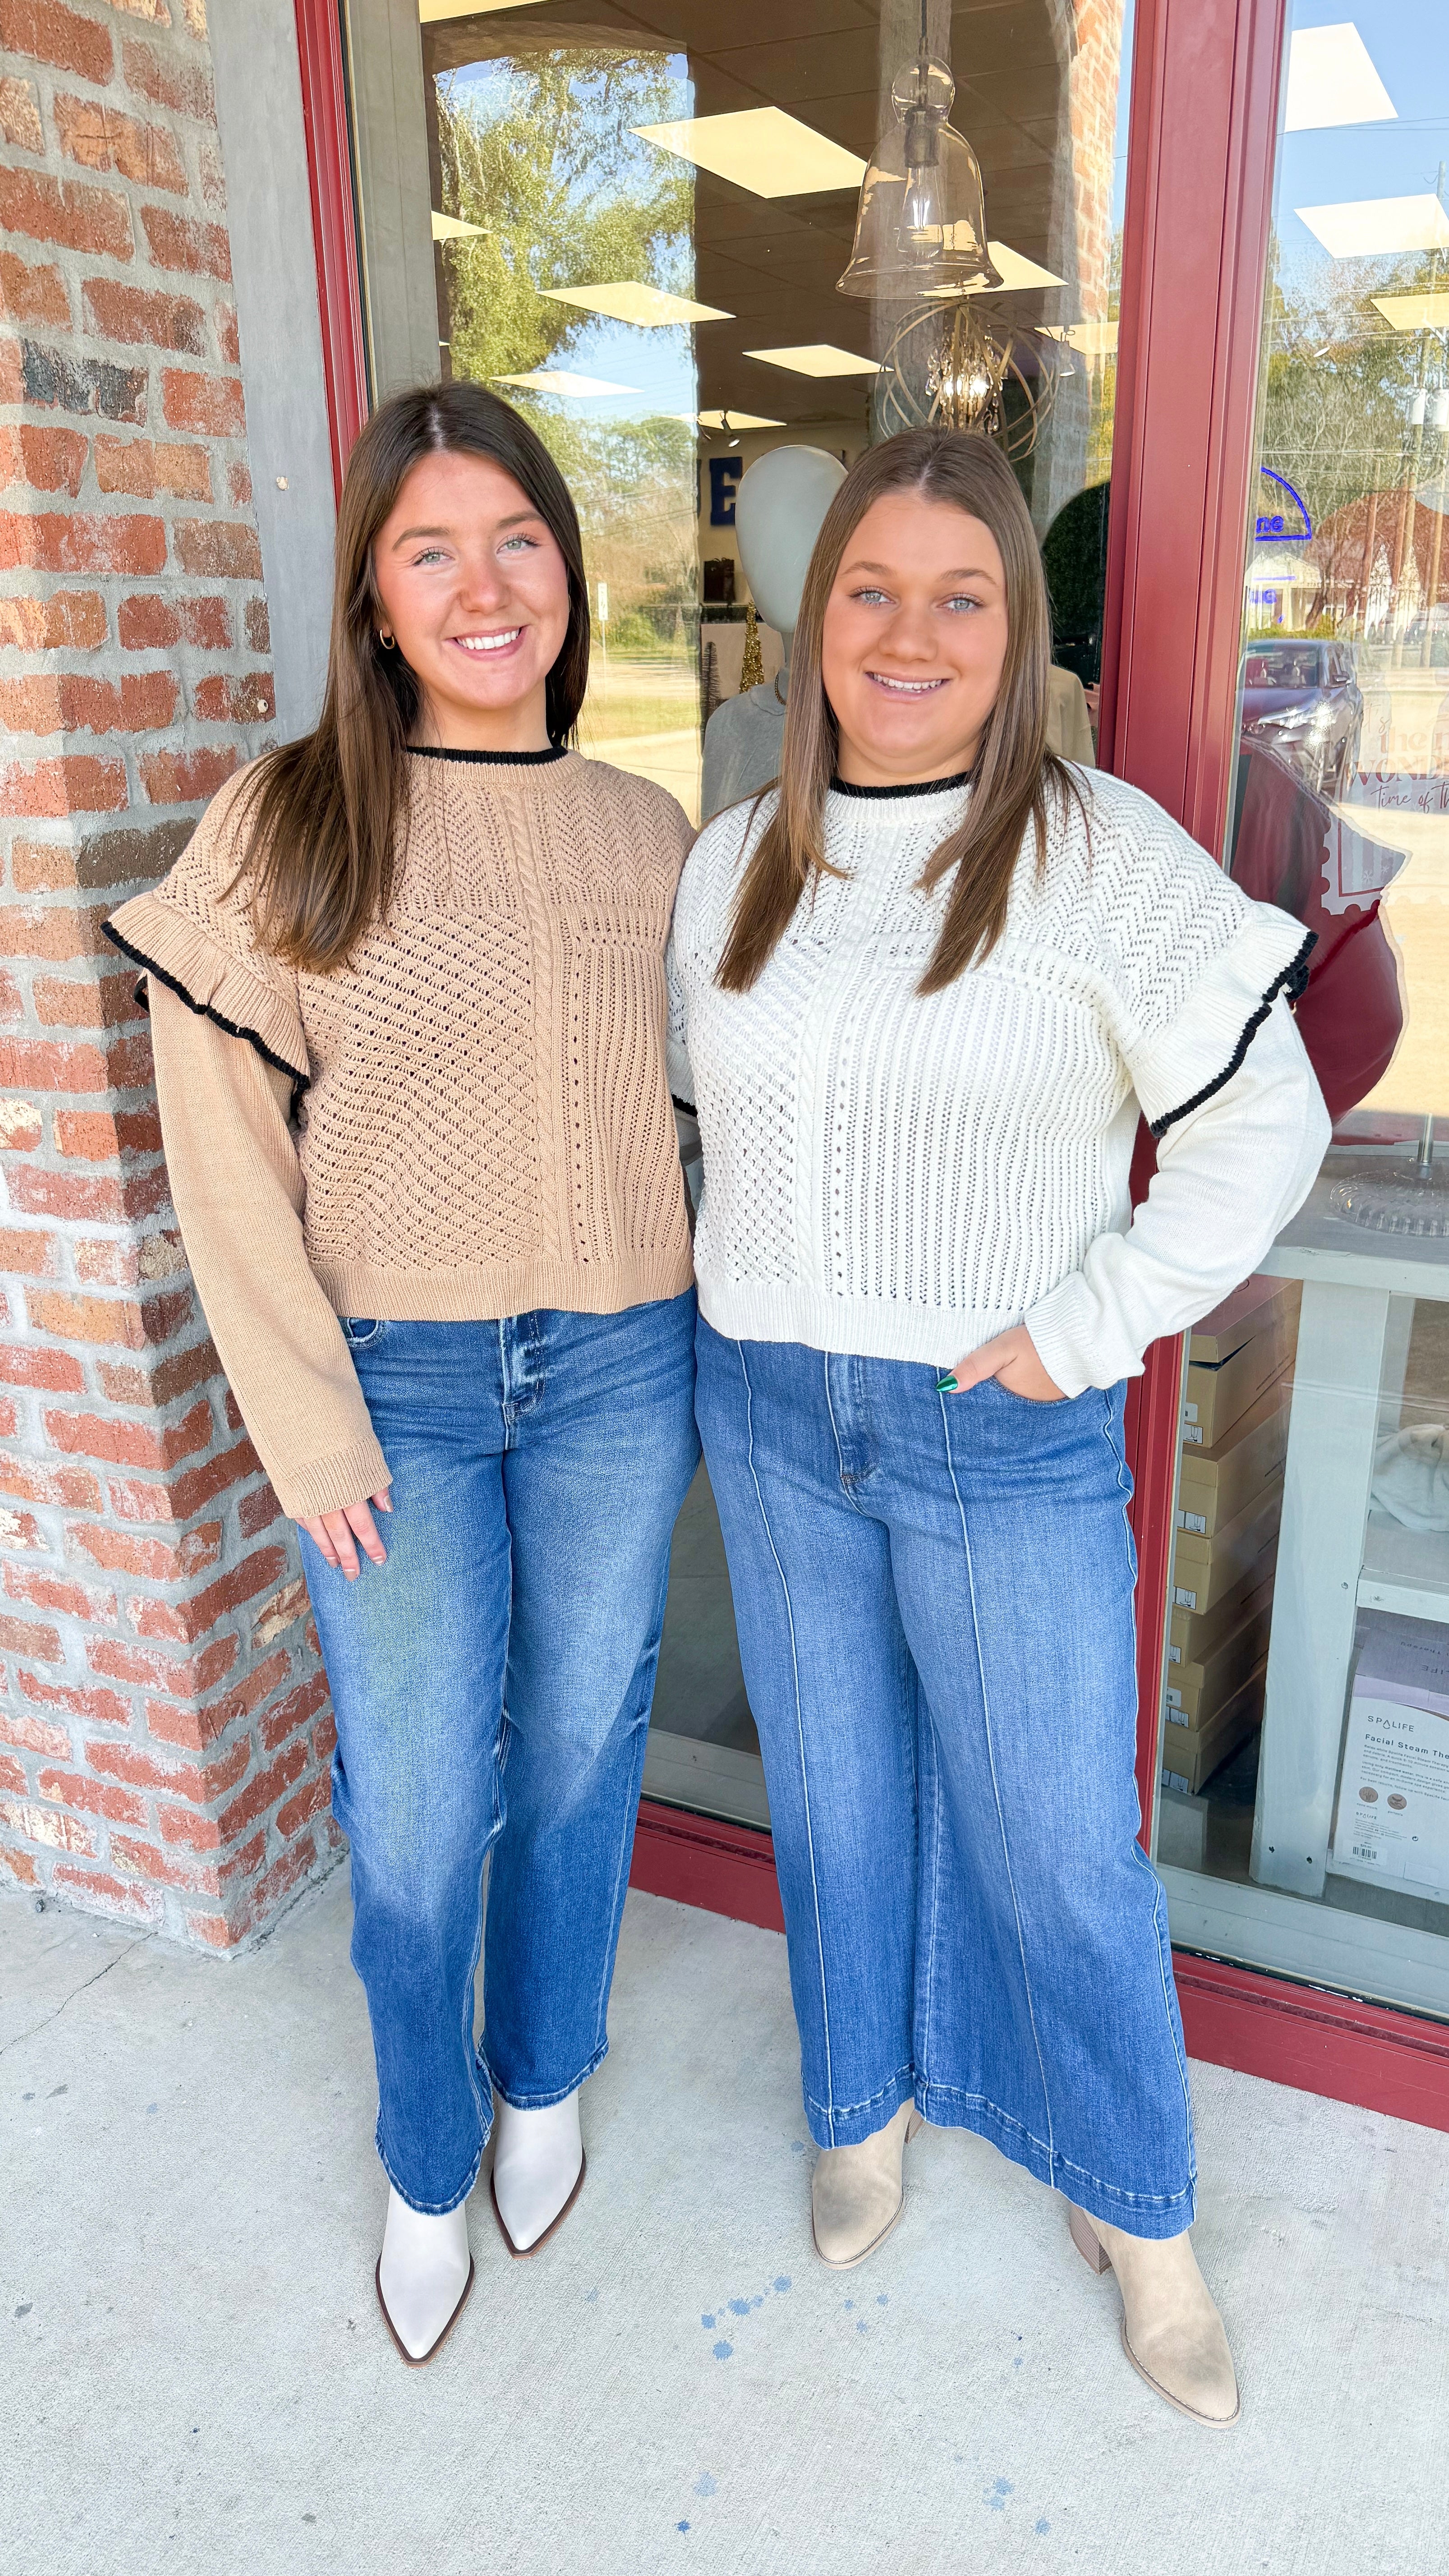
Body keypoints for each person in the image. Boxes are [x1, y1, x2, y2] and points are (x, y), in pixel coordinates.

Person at [668, 429, 1329, 2431]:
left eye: (962, 597)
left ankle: (1141, 2210)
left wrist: (1085, 1326)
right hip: (766, 1406)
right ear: (816, 617)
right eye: (872, 589)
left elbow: (1267, 1122)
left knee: (1057, 1847)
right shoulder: (733, 857)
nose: (910, 633)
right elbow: (702, 1119)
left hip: (993, 1424)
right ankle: (856, 2106)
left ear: (1017, 631)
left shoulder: (1096, 854)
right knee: (834, 1802)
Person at [106, 383, 699, 2366]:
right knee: (427, 1803)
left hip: (622, 1360)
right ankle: (425, 2150)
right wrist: (304, 1424)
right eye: (430, 548)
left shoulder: (646, 831)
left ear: (568, 571)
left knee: (584, 1748)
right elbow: (219, 1149)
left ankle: (547, 2072)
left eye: (518, 538)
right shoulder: (286, 821)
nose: (483, 584)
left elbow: (712, 1103)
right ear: (372, 593)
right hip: (394, 1393)